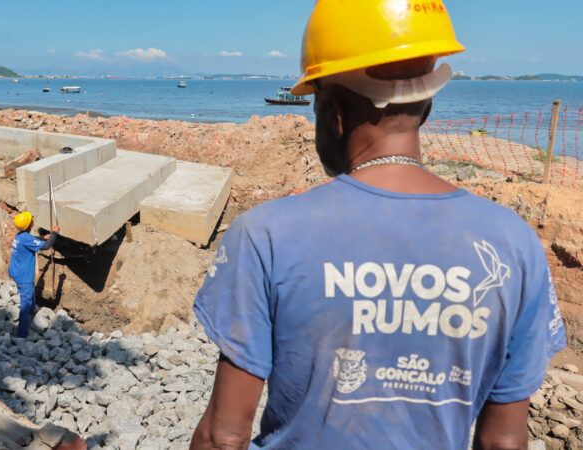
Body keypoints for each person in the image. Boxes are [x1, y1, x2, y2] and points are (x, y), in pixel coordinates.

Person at [190, 1, 566, 449]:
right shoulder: (515, 244)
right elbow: (503, 442)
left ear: (333, 112)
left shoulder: (266, 235)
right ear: (425, 105)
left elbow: (222, 436)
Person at [8, 211, 59, 338]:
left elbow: (32, 240)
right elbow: (46, 247)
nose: (32, 220)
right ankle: (22, 335)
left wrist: (43, 237)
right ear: (29, 225)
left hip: (16, 272)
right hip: (24, 277)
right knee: (25, 304)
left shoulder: (20, 235)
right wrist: (54, 234)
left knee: (30, 294)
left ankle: (32, 312)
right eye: (31, 220)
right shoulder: (25, 238)